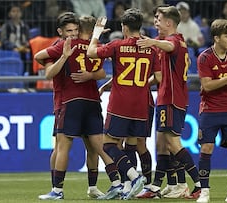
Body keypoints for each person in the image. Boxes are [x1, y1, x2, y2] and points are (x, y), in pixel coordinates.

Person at [35, 12, 110, 200]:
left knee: (91, 148)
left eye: (76, 30)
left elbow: (101, 73)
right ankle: (56, 188)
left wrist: (90, 75)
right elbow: (48, 72)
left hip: (86, 101)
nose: (73, 34)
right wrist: (63, 57)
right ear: (60, 31)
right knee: (60, 146)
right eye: (69, 31)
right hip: (64, 102)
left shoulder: (86, 46)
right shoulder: (58, 47)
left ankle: (91, 187)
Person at [87, 8, 159, 200]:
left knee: (108, 144)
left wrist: (96, 33)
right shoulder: (151, 48)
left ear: (124, 27)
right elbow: (158, 76)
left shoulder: (117, 45)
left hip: (120, 103)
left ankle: (134, 177)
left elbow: (91, 53)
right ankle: (128, 186)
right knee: (132, 145)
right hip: (142, 103)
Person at [135, 6, 201, 199]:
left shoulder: (175, 41)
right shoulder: (166, 43)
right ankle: (158, 186)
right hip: (166, 97)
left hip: (172, 98)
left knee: (172, 143)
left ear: (169, 23)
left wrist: (151, 42)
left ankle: (199, 185)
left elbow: (170, 46)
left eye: (158, 18)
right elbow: (161, 75)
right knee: (161, 144)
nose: (155, 21)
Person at [195, 19, 227, 203]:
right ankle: (205, 191)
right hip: (209, 109)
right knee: (207, 147)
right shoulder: (204, 57)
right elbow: (207, 86)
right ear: (216, 38)